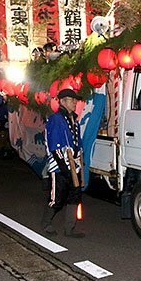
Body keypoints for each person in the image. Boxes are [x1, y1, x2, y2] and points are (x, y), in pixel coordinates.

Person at [42, 88, 85, 238]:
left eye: (75, 100)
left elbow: (77, 143)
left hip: (74, 164)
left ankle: (69, 228)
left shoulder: (74, 120)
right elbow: (54, 145)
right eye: (72, 100)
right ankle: (46, 222)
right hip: (59, 165)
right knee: (57, 198)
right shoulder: (55, 119)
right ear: (62, 101)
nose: (75, 103)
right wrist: (63, 166)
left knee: (75, 196)